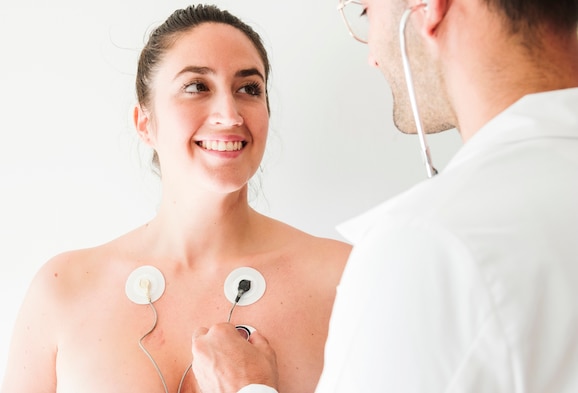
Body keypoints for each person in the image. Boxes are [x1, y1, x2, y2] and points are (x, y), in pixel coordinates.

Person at [190, 0, 578, 391]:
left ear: (429, 7)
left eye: (365, 12)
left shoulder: (425, 244)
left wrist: (245, 387)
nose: (373, 56)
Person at [0, 4, 351, 393]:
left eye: (249, 89)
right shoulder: (63, 289)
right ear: (145, 123)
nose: (229, 114)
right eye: (197, 86)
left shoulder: (344, 279)